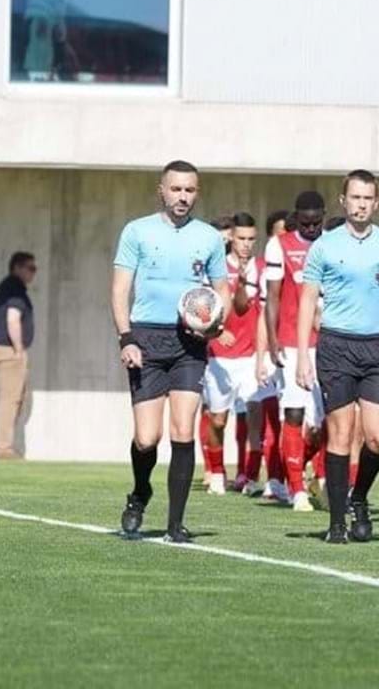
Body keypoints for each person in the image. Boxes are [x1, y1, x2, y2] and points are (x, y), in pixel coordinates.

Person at [112, 160, 229, 544]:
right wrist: (126, 337)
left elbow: (221, 289)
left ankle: (176, 523)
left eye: (190, 190)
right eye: (176, 189)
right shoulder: (137, 231)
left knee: (182, 429)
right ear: (161, 190)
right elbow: (118, 290)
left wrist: (217, 319)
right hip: (146, 339)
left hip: (189, 343)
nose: (183, 196)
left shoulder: (209, 237)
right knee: (147, 437)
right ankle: (140, 492)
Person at [296, 169, 379, 544]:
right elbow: (307, 300)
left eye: (368, 198)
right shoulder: (324, 246)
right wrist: (303, 354)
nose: (361, 205)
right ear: (343, 201)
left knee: (378, 437)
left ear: (376, 203)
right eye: (355, 198)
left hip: (377, 347)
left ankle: (359, 497)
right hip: (336, 347)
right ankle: (335, 523)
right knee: (341, 434)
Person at [261, 191, 327, 510]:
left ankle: (299, 469)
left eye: (317, 222)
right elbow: (273, 296)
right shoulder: (279, 245)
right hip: (290, 342)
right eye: (306, 222)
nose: (312, 228)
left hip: (328, 345)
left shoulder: (333, 243)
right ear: (296, 219)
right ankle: (298, 489)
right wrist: (272, 341)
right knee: (294, 413)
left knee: (321, 425)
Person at [200, 212, 273, 496]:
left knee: (255, 417)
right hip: (218, 356)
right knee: (218, 420)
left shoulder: (263, 268)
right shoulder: (214, 268)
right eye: (241, 238)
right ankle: (216, 471)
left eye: (251, 239)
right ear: (231, 237)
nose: (246, 244)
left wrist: (261, 356)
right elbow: (202, 309)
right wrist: (217, 332)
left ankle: (251, 477)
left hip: (250, 355)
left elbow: (251, 311)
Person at [0, 251, 37, 459]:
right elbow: (13, 319)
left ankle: (4, 444)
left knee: (15, 397)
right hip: (8, 349)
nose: (33, 273)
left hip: (4, 348)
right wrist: (18, 350)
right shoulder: (14, 289)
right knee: (11, 399)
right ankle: (3, 447)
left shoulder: (10, 287)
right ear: (17, 267)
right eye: (30, 268)